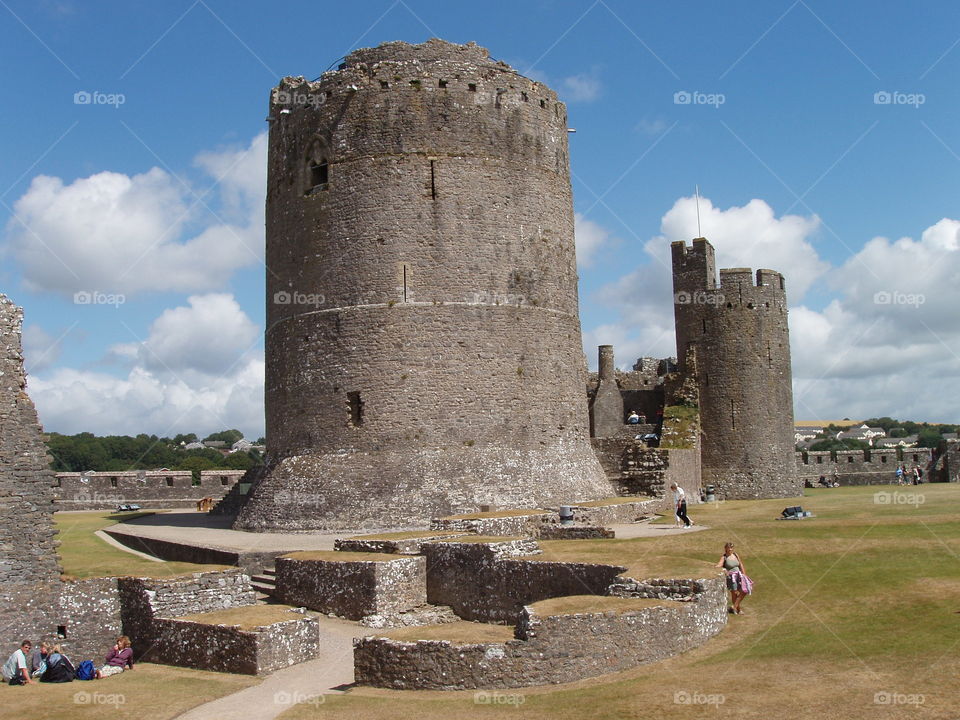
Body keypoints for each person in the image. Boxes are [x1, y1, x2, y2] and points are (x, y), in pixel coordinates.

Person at [717, 542, 752, 614]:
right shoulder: (724, 557)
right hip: (731, 577)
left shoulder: (735, 555)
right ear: (725, 548)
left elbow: (740, 564)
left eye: (731, 548)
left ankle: (733, 607)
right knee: (734, 593)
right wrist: (717, 567)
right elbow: (719, 564)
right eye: (729, 548)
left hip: (739, 575)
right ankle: (738, 610)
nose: (730, 549)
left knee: (744, 590)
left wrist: (744, 574)